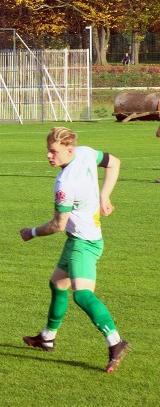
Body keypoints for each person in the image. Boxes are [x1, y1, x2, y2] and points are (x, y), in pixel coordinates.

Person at [19, 127, 130, 374]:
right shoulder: (86, 153)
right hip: (77, 239)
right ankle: (47, 337)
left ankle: (116, 341)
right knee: (57, 284)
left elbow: (57, 225)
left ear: (69, 150)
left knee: (82, 295)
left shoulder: (65, 183)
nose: (48, 156)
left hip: (85, 242)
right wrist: (105, 195)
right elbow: (114, 163)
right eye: (48, 150)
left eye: (53, 151)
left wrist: (32, 232)